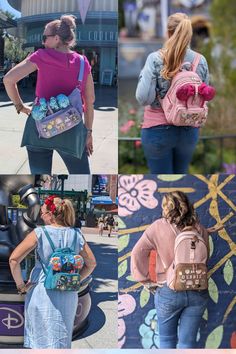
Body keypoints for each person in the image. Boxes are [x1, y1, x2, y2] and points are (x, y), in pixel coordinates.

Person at [4, 15, 95, 174]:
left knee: (40, 181)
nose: (42, 42)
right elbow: (90, 101)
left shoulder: (41, 56)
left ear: (57, 38)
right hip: (71, 131)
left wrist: (20, 106)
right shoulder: (82, 62)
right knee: (82, 179)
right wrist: (88, 133)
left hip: (39, 129)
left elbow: (8, 79)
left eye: (44, 37)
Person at [131, 191, 223, 349]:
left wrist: (144, 279)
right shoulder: (199, 228)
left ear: (167, 208)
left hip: (168, 290)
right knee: (188, 343)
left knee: (167, 341)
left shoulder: (157, 227)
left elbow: (137, 253)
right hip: (197, 288)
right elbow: (204, 259)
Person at [9, 196, 96, 349]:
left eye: (42, 213)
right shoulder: (77, 234)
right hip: (68, 295)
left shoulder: (39, 233)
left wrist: (21, 286)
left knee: (40, 340)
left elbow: (14, 260)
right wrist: (74, 280)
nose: (41, 217)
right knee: (61, 339)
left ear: (50, 214)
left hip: (42, 292)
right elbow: (91, 264)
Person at [136, 13, 209, 173]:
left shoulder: (155, 59)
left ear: (168, 33)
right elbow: (204, 98)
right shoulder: (200, 61)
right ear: (189, 33)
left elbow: (143, 98)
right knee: (181, 177)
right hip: (189, 130)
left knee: (160, 180)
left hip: (157, 131)